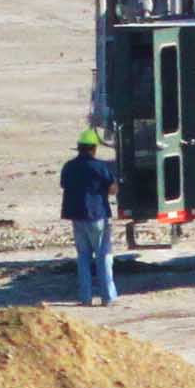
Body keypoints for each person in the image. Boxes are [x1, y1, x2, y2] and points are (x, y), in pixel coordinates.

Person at [59, 129, 125, 306]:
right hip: (97, 215)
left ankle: (85, 297)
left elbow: (64, 185)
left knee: (83, 257)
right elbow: (112, 188)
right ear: (93, 149)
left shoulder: (68, 166)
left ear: (79, 148)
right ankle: (108, 297)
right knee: (103, 256)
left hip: (76, 216)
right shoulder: (100, 167)